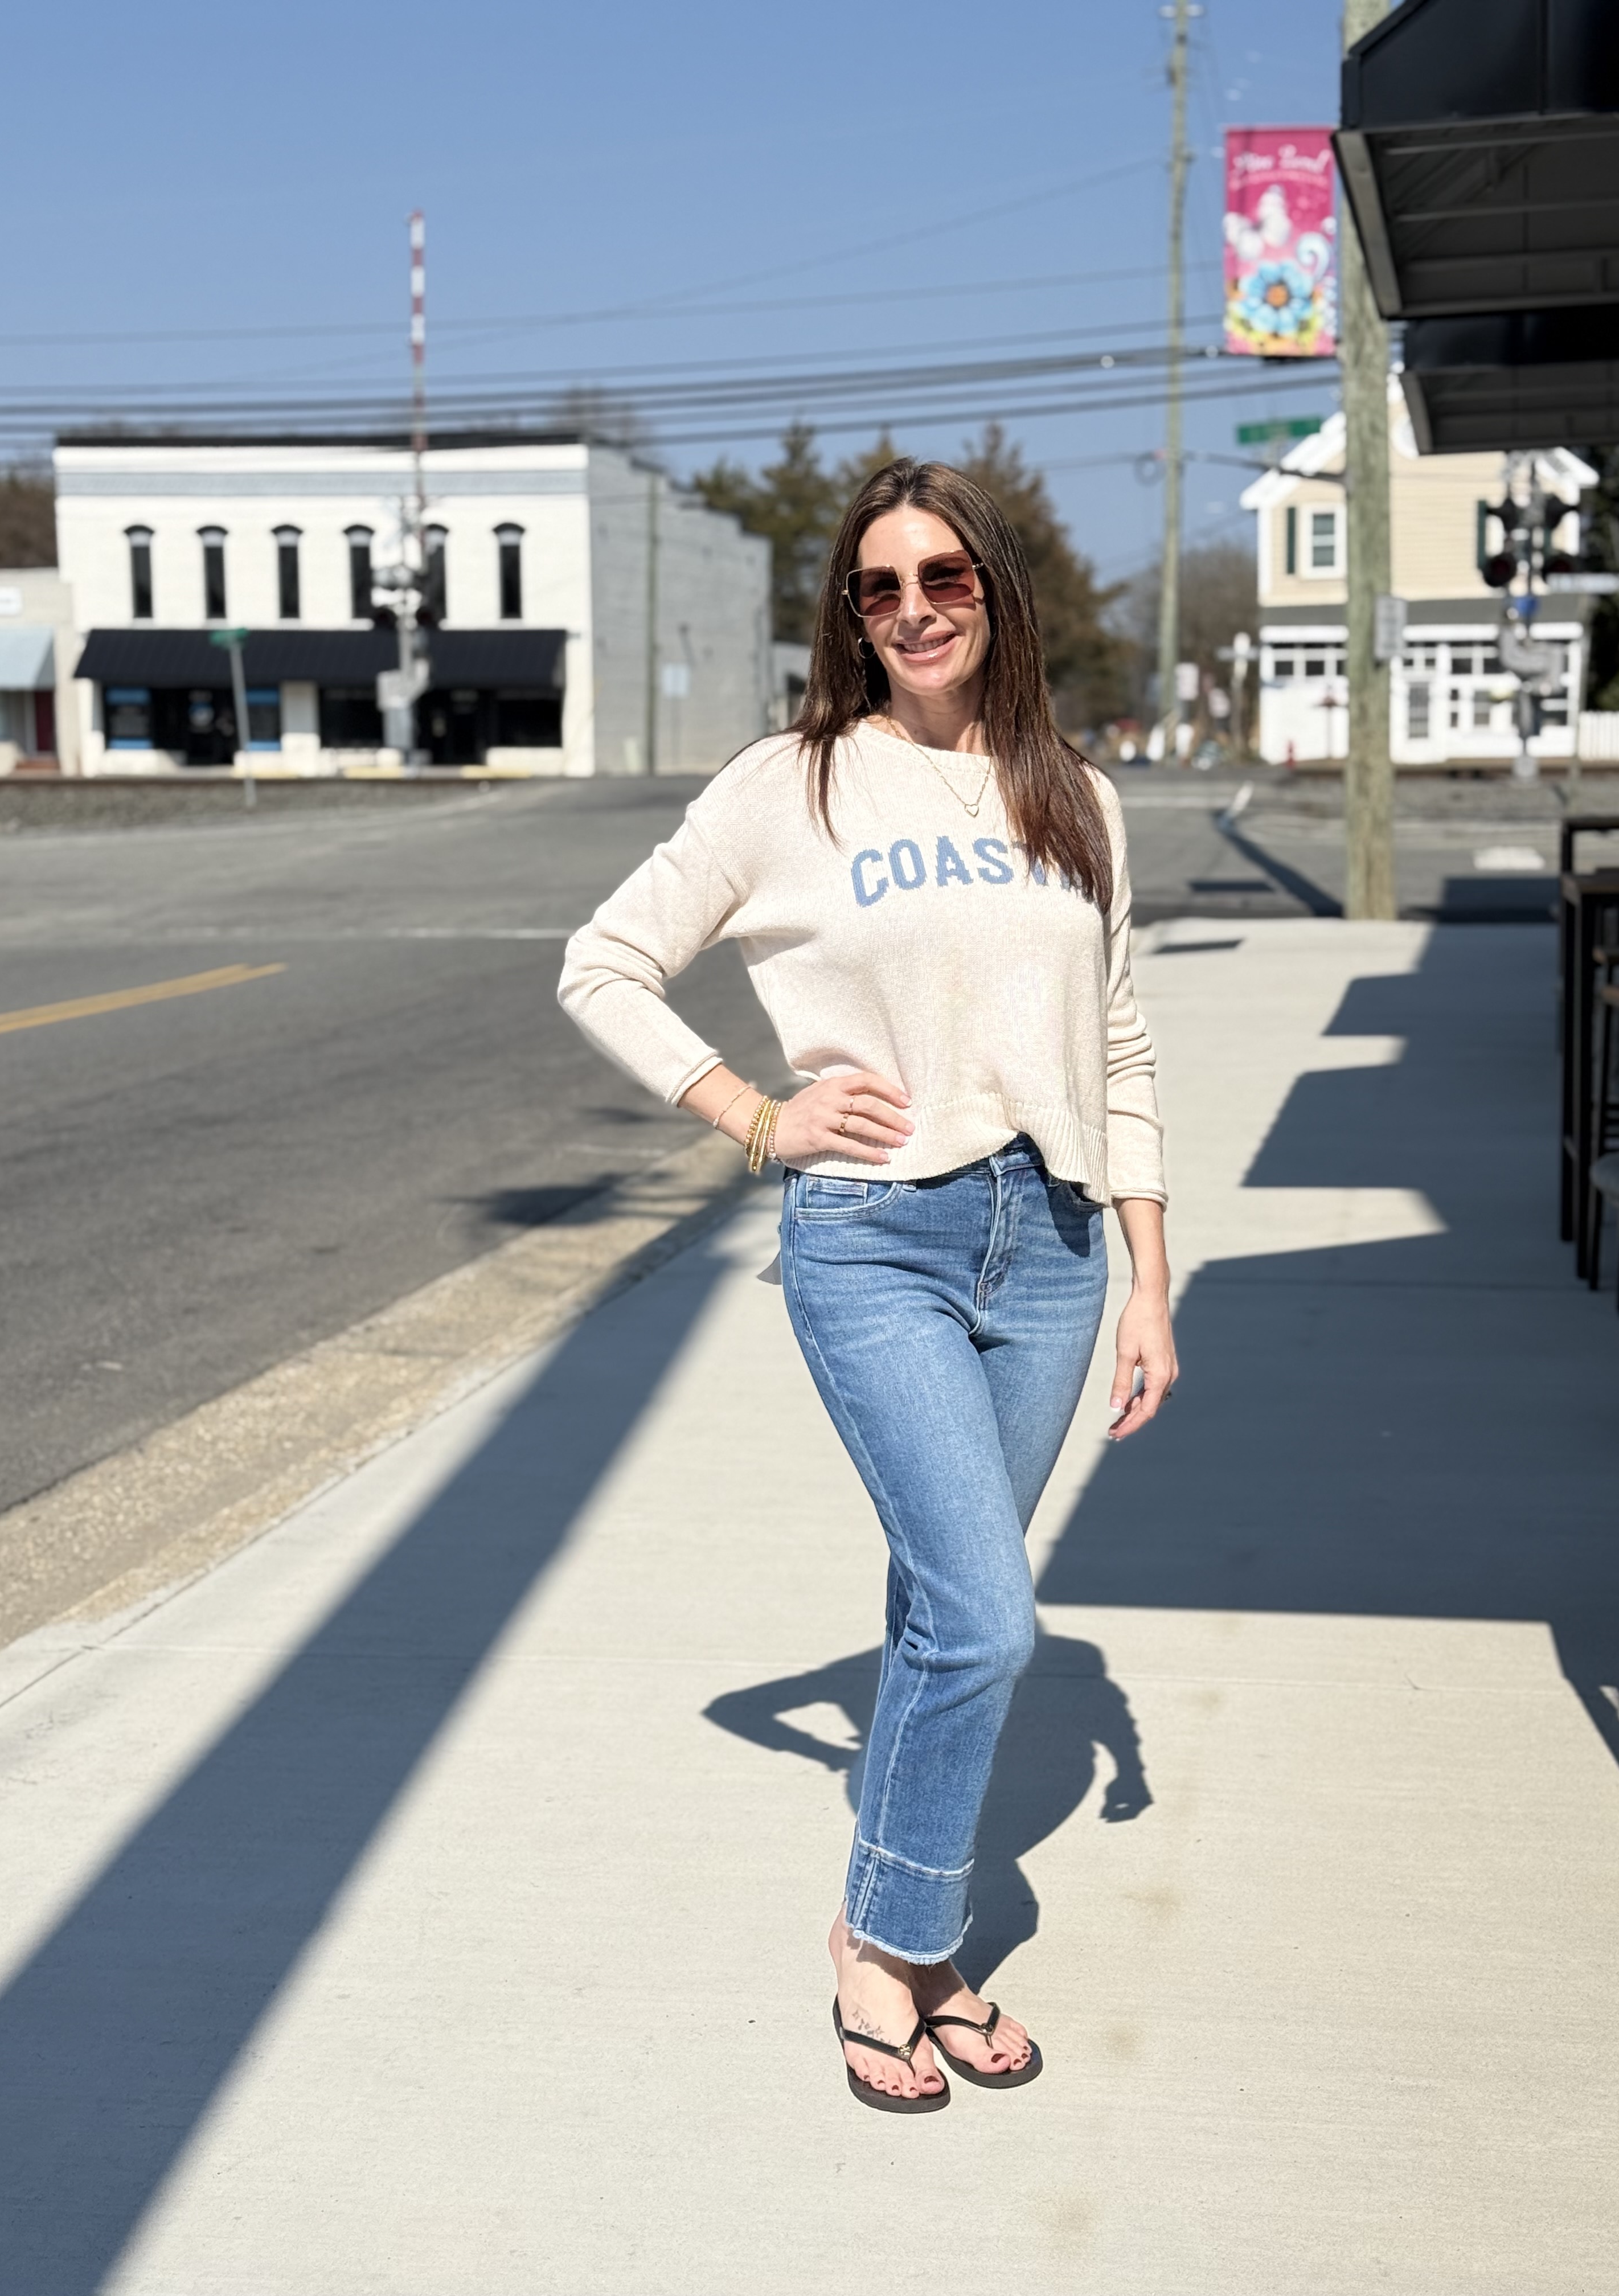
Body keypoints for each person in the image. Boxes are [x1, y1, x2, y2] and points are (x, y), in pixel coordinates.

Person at [558, 457, 1175, 2114]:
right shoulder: (794, 785)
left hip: (1053, 1249)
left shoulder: (1075, 797)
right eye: (880, 586)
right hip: (877, 1241)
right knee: (987, 1615)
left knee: (935, 1609)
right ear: (852, 613)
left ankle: (916, 1943)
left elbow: (1117, 1043)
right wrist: (756, 1117)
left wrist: (1148, 1275)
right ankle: (888, 1943)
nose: (915, 610)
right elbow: (604, 965)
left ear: (997, 593)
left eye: (946, 578)